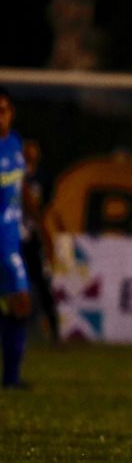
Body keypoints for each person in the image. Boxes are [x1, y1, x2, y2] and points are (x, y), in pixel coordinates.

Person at [0, 87, 32, 389]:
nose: (1, 116)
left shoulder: (15, 145)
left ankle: (11, 378)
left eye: (4, 110)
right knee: (19, 302)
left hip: (10, 240)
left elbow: (20, 188)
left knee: (21, 303)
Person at [20, 139, 61, 344]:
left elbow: (46, 210)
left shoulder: (43, 178)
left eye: (34, 151)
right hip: (13, 234)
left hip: (33, 237)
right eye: (27, 151)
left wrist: (47, 235)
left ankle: (55, 333)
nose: (30, 154)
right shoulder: (12, 174)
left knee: (43, 286)